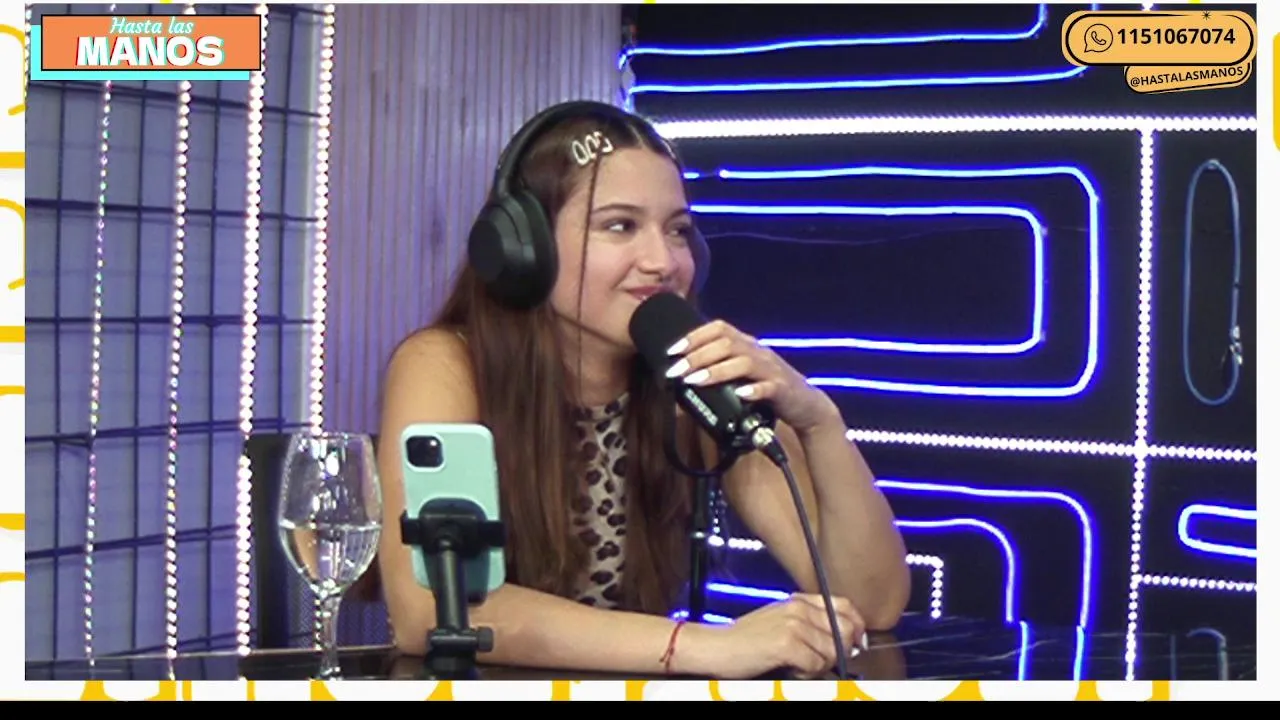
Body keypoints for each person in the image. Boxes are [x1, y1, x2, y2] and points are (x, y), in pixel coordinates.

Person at [373, 100, 910, 680]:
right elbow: (432, 610)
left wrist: (819, 422)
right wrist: (700, 646)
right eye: (620, 226)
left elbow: (871, 603)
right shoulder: (445, 365)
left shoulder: (694, 378)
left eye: (677, 230)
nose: (662, 261)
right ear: (524, 247)